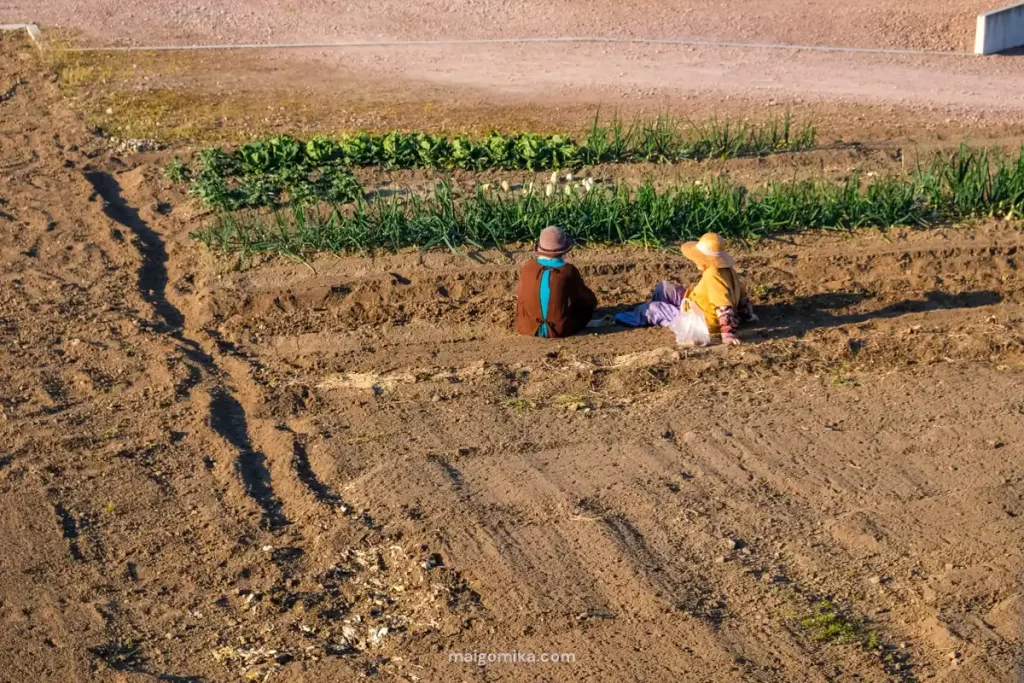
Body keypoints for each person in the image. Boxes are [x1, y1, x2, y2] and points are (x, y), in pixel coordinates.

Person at [616, 232, 757, 345]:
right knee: (664, 288)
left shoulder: (713, 277)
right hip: (695, 301)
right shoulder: (728, 270)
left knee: (652, 309)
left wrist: (728, 333)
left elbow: (723, 306)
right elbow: (743, 297)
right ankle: (663, 312)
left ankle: (630, 318)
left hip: (698, 318)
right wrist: (747, 315)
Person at [515, 226, 597, 339]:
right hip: (561, 330)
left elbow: (519, 294)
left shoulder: (528, 268)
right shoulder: (568, 271)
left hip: (527, 327)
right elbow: (584, 298)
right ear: (564, 250)